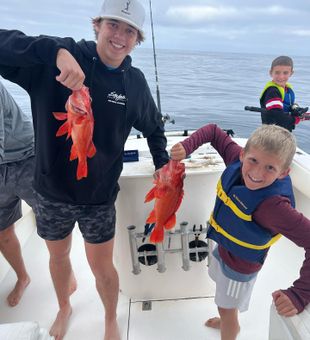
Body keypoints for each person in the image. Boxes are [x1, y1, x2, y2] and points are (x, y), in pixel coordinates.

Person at [0, 0, 169, 339]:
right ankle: (65, 305)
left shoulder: (134, 84)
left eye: (129, 30)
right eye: (113, 25)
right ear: (97, 25)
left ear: (137, 39)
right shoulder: (57, 62)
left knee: (102, 265)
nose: (119, 36)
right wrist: (55, 51)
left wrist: (163, 164)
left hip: (99, 197)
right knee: (58, 257)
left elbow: (153, 128)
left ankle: (110, 318)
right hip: (50, 192)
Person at [171, 124, 310, 340]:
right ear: (243, 155)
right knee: (222, 297)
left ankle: (230, 326)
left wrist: (300, 294)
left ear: (284, 173)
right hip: (223, 247)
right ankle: (227, 318)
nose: (256, 173)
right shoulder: (237, 159)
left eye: (270, 168)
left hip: (240, 267)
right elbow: (213, 131)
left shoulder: (274, 207)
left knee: (227, 307)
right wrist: (187, 146)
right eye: (253, 161)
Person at [0, 80, 35, 306]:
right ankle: (23, 277)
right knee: (2, 231)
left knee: (53, 224)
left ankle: (66, 273)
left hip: (27, 158)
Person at [260, 55, 307, 132]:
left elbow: (286, 104)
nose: (281, 76)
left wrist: (296, 108)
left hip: (284, 131)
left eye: (285, 73)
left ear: (291, 73)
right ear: (271, 73)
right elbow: (277, 116)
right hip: (271, 133)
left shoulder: (287, 89)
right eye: (277, 73)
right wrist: (296, 119)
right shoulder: (272, 91)